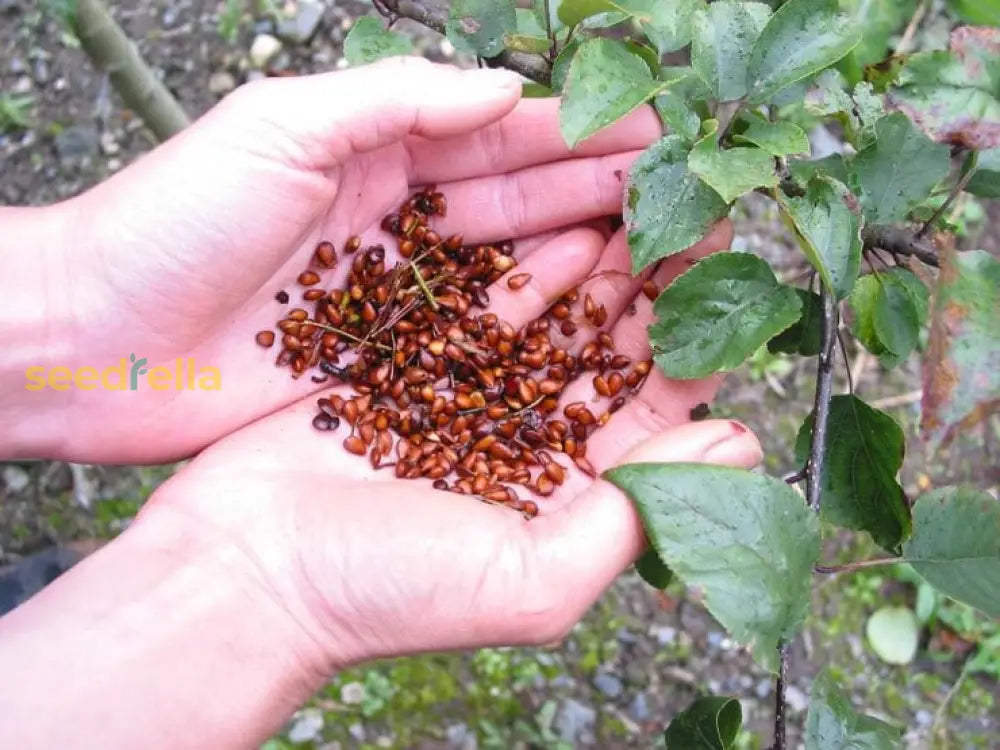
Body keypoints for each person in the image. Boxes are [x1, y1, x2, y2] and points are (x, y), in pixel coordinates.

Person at [0, 58, 761, 748]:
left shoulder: (433, 350)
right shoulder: (361, 310)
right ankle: (51, 611)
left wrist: (72, 305)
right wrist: (75, 298)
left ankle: (39, 616)